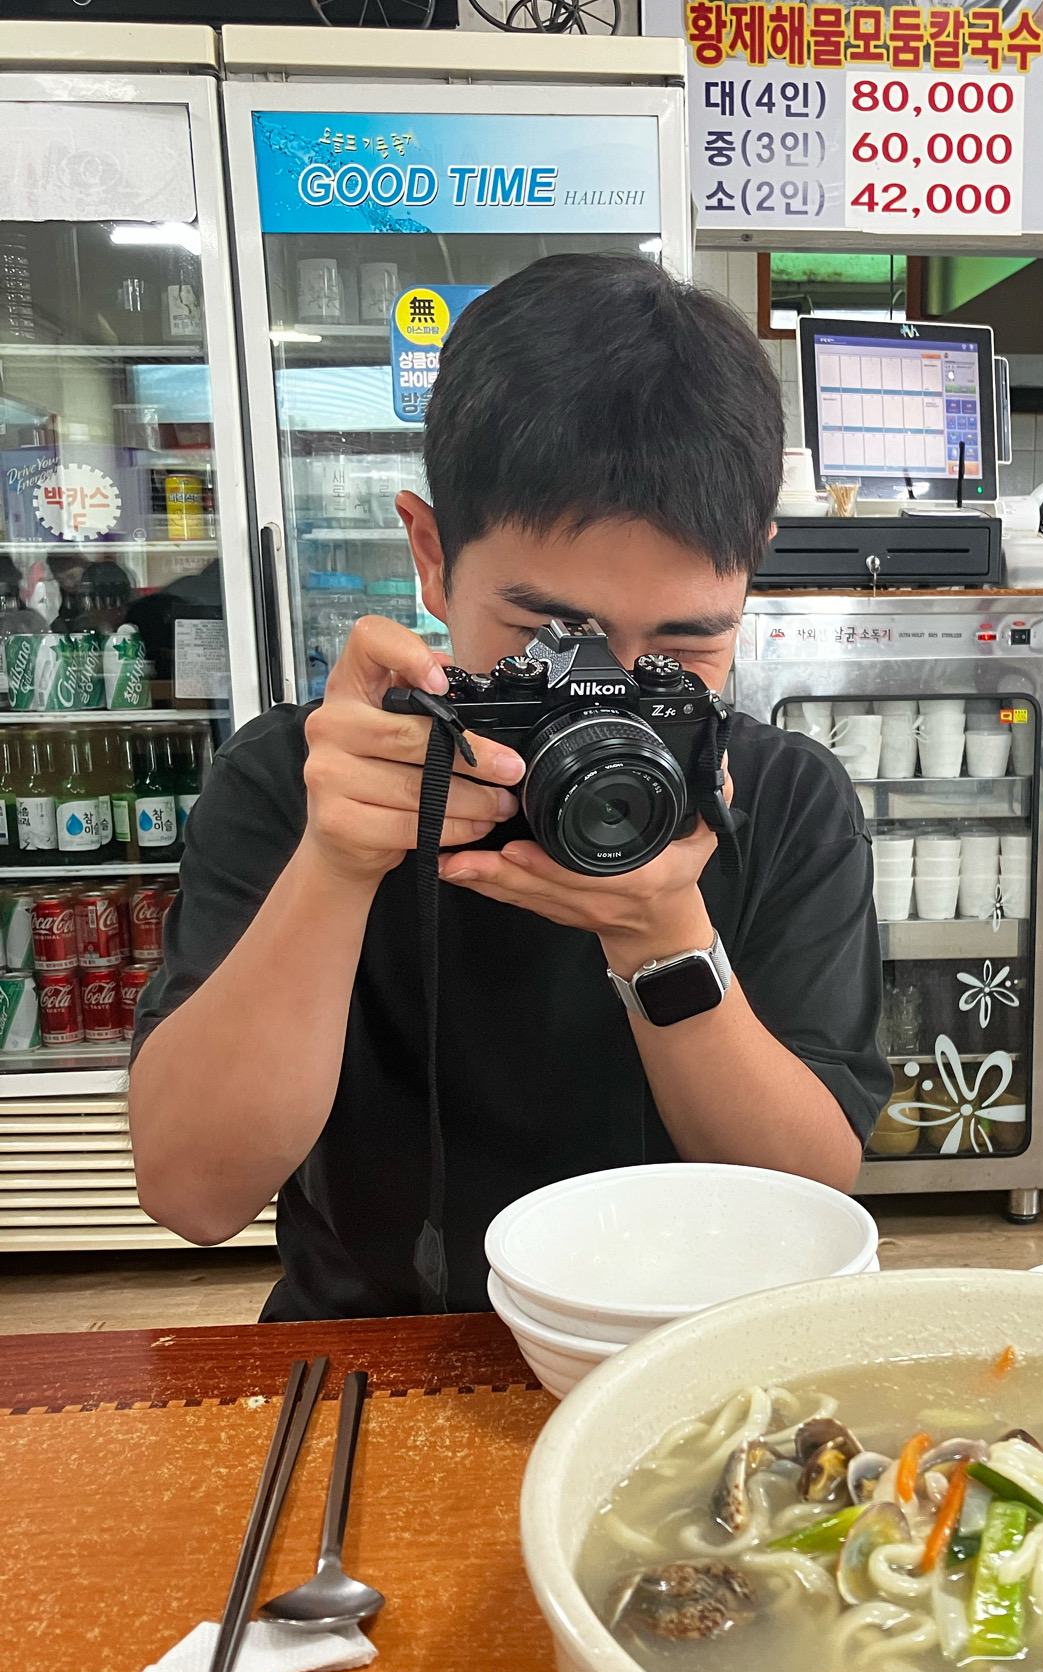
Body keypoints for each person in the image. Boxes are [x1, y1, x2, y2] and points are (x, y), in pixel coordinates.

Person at [129, 254, 891, 1321]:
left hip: (684, 1349)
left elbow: (809, 1191)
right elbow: (193, 1192)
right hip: (375, 1353)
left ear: (750, 574)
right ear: (432, 557)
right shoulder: (295, 781)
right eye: (546, 638)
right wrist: (338, 864)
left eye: (685, 648)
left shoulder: (782, 795)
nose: (604, 700)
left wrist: (662, 932)